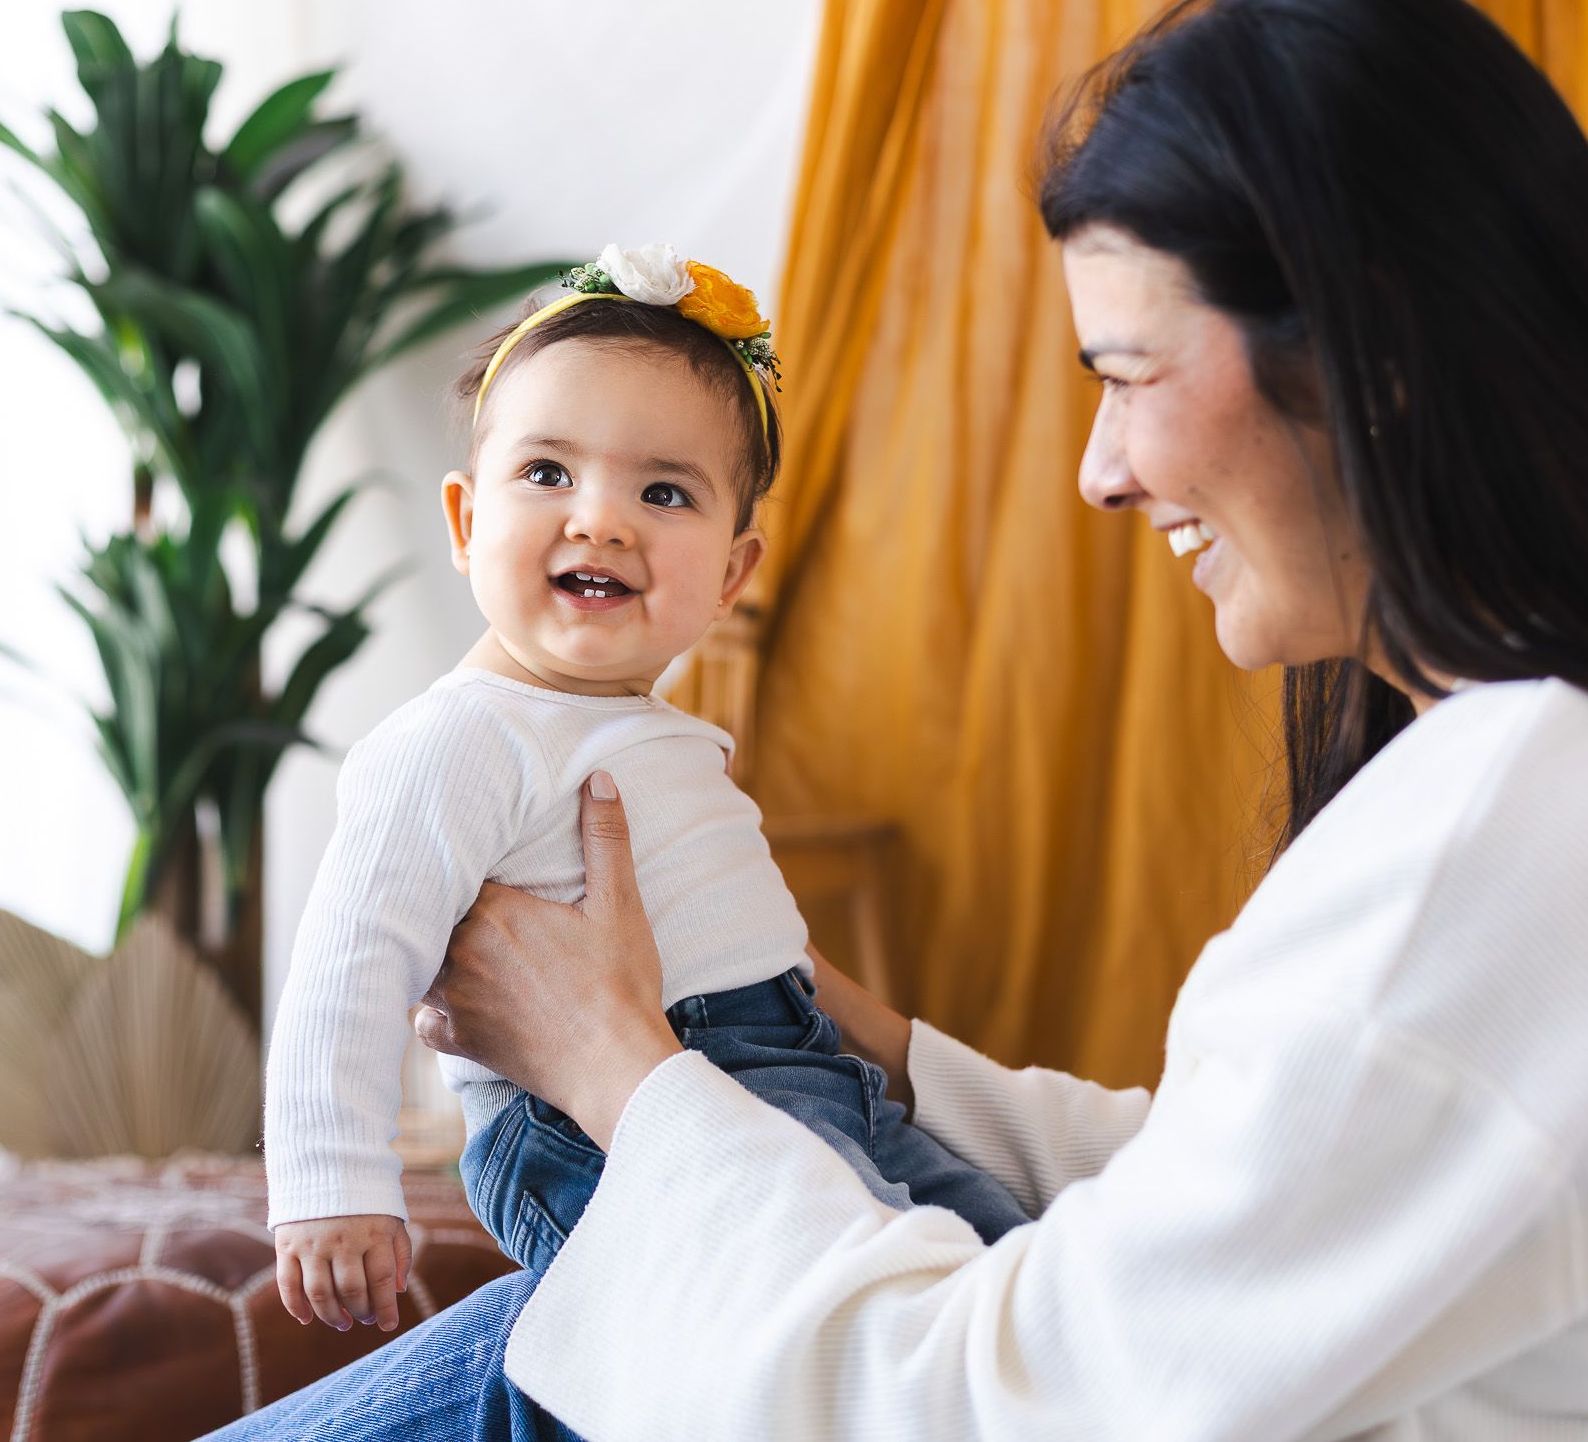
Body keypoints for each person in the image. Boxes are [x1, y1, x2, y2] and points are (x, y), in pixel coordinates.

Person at [214, 0, 1588, 1437]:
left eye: (1127, 377)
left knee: (561, 1343)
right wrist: (868, 1047)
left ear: (1370, 361)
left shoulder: (1531, 830)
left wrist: (612, 1061)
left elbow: (998, 1403)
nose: (1094, 471)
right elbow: (1258, 1188)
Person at [258, 245, 1027, 1340]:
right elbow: (349, 954)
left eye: (663, 491)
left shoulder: (654, 733)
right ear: (466, 521)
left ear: (730, 574)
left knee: (999, 1266)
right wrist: (332, 1176)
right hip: (592, 1121)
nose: (601, 520)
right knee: (826, 1332)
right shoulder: (457, 738)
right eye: (547, 474)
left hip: (798, 1074)